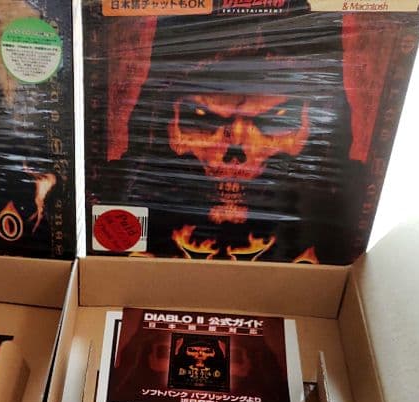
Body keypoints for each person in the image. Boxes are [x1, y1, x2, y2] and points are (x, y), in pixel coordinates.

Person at [105, 7, 361, 263]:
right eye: (203, 118)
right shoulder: (122, 215)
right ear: (162, 125)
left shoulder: (337, 232)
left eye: (274, 120)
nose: (235, 156)